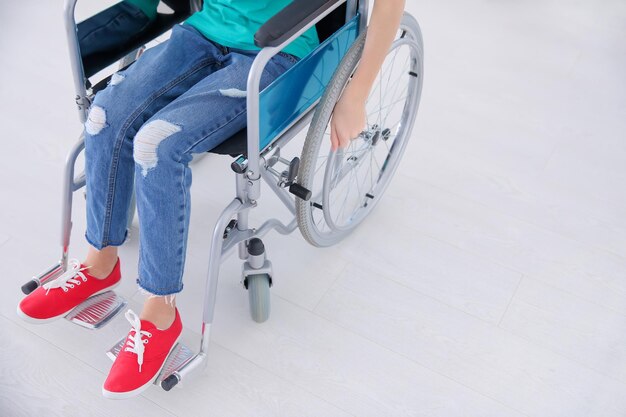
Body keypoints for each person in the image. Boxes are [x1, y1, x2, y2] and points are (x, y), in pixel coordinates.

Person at [17, 0, 405, 399]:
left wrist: (357, 93)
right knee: (103, 117)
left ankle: (160, 313)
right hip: (202, 29)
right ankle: (100, 264)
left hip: (275, 51)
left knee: (157, 144)